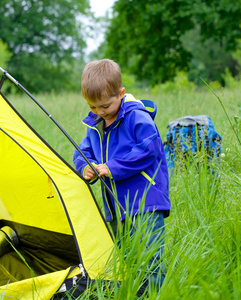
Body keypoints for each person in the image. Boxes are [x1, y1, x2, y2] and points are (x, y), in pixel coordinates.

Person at [73, 59, 171, 291]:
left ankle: (157, 293)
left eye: (105, 106)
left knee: (150, 258)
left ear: (121, 93)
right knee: (128, 258)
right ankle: (137, 293)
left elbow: (150, 147)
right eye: (92, 107)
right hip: (116, 208)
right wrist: (85, 166)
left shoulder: (137, 117)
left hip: (145, 202)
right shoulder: (96, 125)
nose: (99, 112)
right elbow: (83, 151)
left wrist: (113, 167)